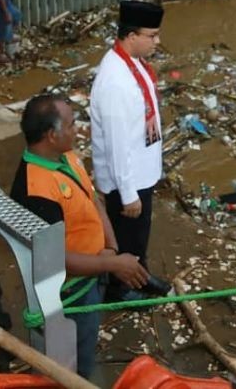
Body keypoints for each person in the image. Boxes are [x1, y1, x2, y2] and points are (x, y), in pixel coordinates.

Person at [10, 94, 149, 378]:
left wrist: (110, 247)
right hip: (70, 295)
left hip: (93, 274)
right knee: (74, 361)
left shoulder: (67, 157)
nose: (78, 129)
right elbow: (55, 259)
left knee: (87, 341)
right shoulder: (35, 191)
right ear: (51, 134)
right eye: (72, 124)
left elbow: (93, 200)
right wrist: (113, 264)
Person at [90, 0, 165, 295]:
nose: (157, 41)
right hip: (128, 180)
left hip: (142, 171)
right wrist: (129, 193)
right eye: (152, 35)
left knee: (139, 235)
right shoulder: (115, 81)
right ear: (131, 36)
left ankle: (140, 276)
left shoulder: (132, 64)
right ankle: (121, 288)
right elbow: (116, 144)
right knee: (127, 237)